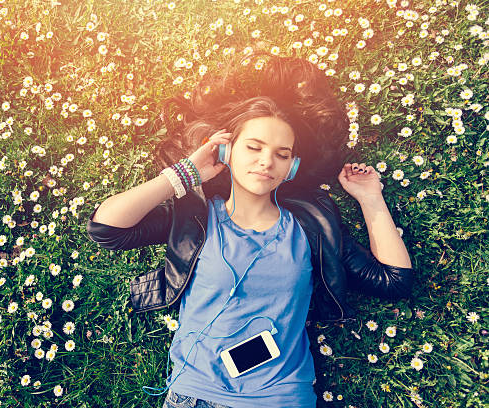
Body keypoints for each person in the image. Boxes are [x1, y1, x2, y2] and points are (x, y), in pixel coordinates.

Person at [86, 53, 414, 408]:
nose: (266, 161)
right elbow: (107, 229)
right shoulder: (196, 218)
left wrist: (370, 198)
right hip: (194, 397)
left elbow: (394, 280)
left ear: (292, 167)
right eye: (253, 147)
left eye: (281, 154)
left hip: (281, 398)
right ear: (226, 151)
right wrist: (186, 173)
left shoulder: (311, 227)